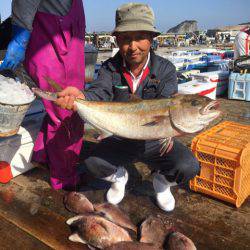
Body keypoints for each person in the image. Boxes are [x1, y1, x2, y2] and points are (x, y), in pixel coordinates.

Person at [56, 3, 200, 212]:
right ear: (117, 40)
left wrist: (187, 122)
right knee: (92, 163)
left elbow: (169, 105)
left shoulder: (166, 69)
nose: (133, 46)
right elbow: (99, 91)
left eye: (140, 37)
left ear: (151, 38)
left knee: (188, 167)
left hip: (155, 140)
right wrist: (81, 97)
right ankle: (119, 177)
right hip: (120, 138)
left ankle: (161, 182)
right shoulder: (109, 67)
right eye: (125, 38)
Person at [0, 0, 86, 190]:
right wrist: (20, 36)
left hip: (71, 32)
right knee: (65, 111)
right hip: (51, 35)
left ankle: (45, 156)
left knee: (69, 106)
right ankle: (63, 177)